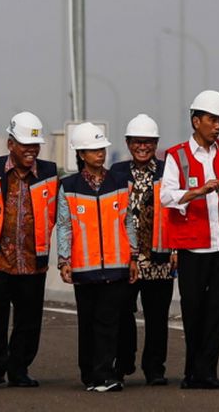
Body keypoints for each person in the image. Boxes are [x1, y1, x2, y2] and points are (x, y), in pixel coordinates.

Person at [160, 90, 219, 390]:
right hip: (193, 246)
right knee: (194, 308)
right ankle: (191, 373)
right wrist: (197, 192)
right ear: (196, 120)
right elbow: (167, 197)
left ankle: (207, 372)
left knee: (218, 310)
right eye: (212, 119)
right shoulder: (177, 156)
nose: (218, 126)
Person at [0, 111, 58, 388]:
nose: (31, 151)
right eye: (25, 145)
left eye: (35, 146)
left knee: (29, 318)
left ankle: (19, 369)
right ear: (11, 143)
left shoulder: (50, 173)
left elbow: (60, 212)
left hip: (34, 258)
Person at [57, 121, 134, 392]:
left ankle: (106, 374)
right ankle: (89, 374)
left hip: (116, 265)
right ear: (81, 154)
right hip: (84, 266)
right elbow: (64, 225)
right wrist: (64, 261)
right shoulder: (69, 186)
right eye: (93, 149)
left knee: (108, 321)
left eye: (101, 148)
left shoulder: (120, 182)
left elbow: (128, 222)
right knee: (87, 322)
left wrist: (133, 256)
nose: (100, 153)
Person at [109, 113, 174, 386]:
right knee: (122, 313)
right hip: (128, 258)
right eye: (137, 142)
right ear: (128, 143)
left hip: (160, 255)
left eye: (148, 142)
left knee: (157, 317)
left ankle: (155, 369)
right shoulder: (117, 173)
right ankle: (123, 362)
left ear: (156, 143)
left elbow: (175, 210)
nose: (143, 147)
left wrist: (175, 249)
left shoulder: (168, 171)